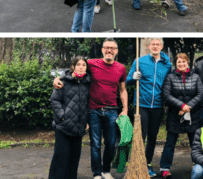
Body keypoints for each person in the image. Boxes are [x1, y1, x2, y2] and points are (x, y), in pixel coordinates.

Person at [52, 38, 129, 179]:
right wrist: (58, 78)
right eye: (106, 47)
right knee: (95, 144)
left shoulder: (121, 68)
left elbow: (123, 90)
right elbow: (75, 69)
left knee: (111, 143)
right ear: (102, 49)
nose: (109, 50)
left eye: (112, 48)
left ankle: (106, 171)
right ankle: (97, 173)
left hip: (112, 110)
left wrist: (125, 109)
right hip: (93, 110)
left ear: (116, 51)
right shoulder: (92, 63)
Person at [126, 38, 172, 177]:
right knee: (141, 136)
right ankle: (137, 163)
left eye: (158, 44)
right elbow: (127, 81)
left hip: (158, 105)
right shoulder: (139, 61)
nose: (155, 46)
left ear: (162, 47)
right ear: (148, 46)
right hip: (142, 105)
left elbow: (169, 84)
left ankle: (147, 164)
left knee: (152, 137)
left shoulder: (167, 64)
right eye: (153, 44)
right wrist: (133, 77)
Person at [160, 53, 203, 179]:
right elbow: (167, 95)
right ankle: (165, 167)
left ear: (188, 63)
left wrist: (187, 107)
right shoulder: (170, 77)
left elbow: (200, 94)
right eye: (179, 62)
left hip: (192, 115)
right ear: (176, 64)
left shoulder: (195, 77)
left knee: (195, 143)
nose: (181, 64)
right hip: (175, 115)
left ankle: (197, 165)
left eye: (183, 62)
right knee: (170, 143)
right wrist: (181, 106)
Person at [49, 57, 92, 179]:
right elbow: (55, 100)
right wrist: (62, 117)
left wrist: (87, 121)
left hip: (79, 128)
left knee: (74, 160)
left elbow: (88, 103)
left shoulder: (87, 83)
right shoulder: (63, 81)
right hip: (63, 127)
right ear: (73, 66)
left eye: (84, 65)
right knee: (60, 159)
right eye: (78, 64)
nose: (81, 67)